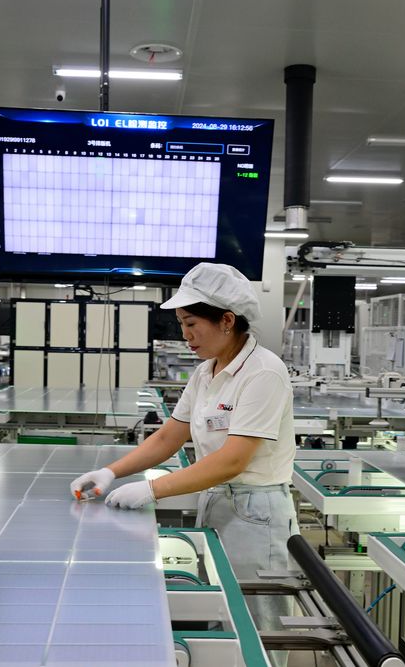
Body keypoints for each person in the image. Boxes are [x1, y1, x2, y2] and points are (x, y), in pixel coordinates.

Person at [69, 263, 297, 664]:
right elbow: (169, 436)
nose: (185, 335)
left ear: (227, 320)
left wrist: (153, 488)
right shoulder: (206, 372)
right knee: (220, 615)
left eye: (191, 323)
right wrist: (113, 471)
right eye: (180, 323)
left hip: (257, 514)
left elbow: (232, 460)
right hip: (217, 502)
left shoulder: (264, 373)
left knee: (257, 629)